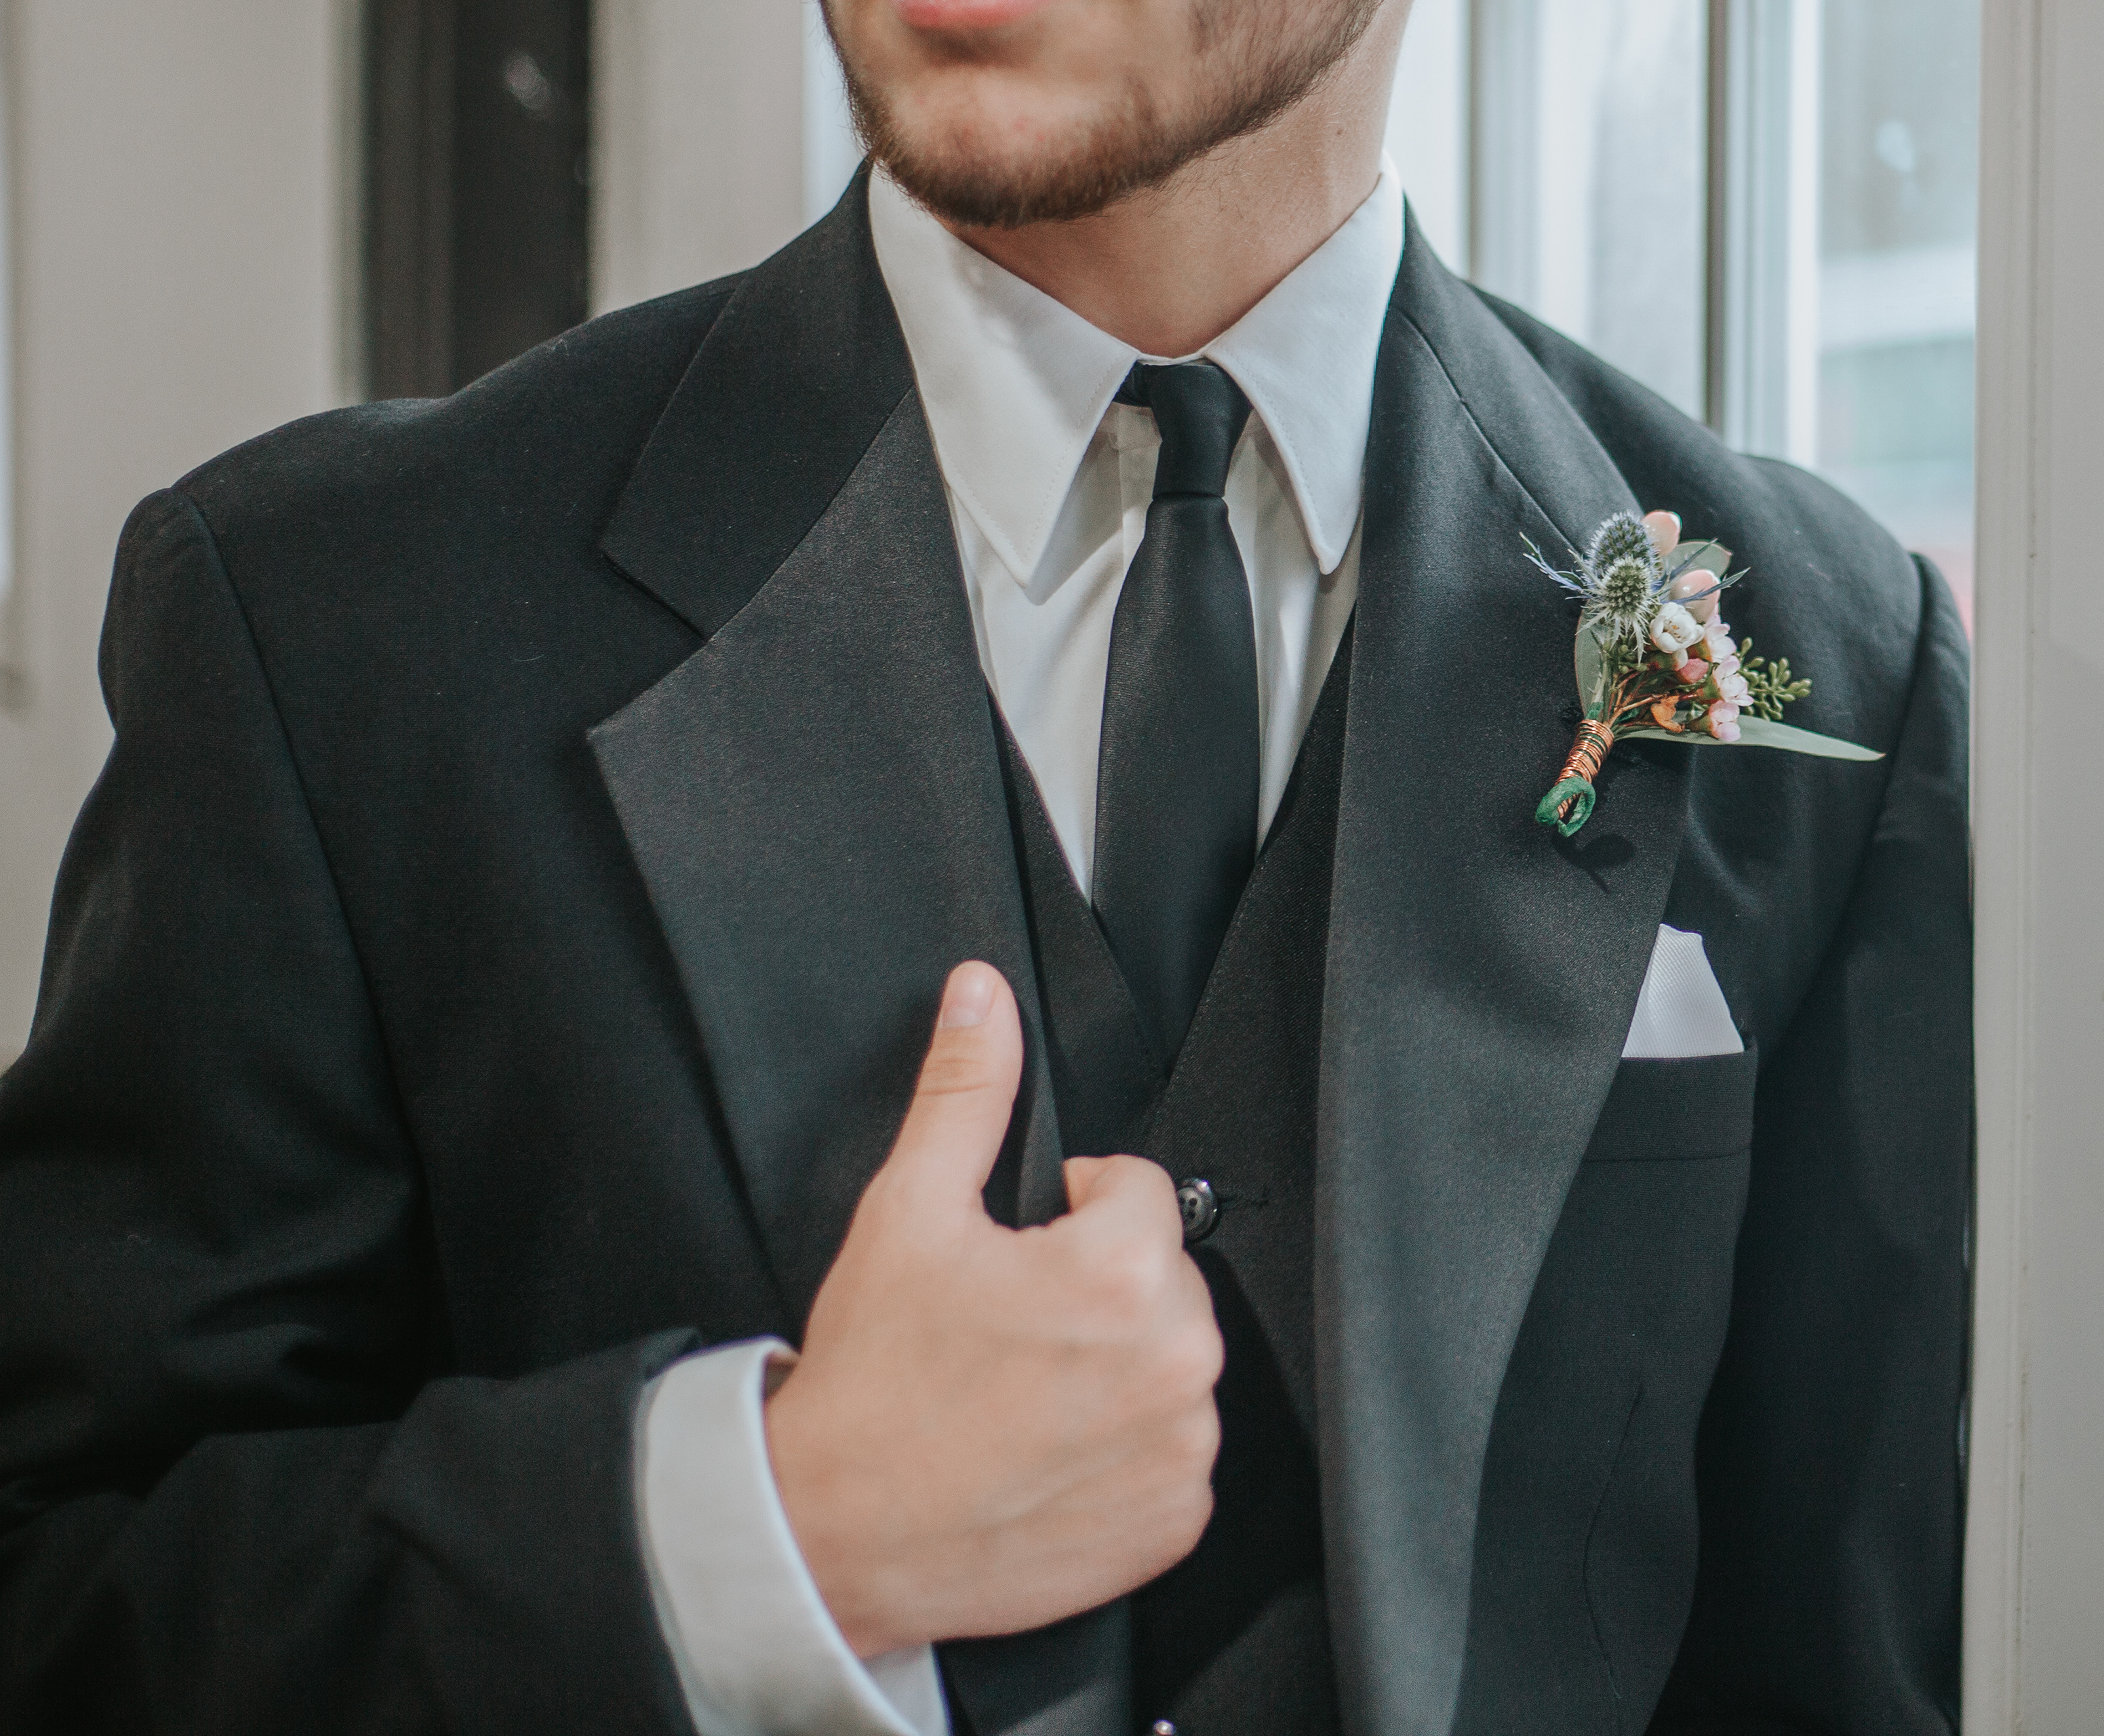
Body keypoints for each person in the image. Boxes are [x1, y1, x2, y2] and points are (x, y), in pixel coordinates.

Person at [0, 1, 1972, 1731]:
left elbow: (1833, 1668)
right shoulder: (332, 621)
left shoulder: (1831, 660)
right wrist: (765, 1534)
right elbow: (63, 1602)